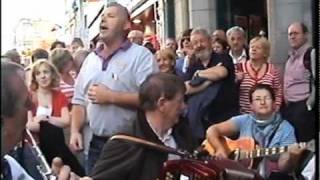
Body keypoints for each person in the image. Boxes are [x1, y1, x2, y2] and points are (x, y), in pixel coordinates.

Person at [69, 2, 159, 173]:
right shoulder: (90, 60)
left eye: (111, 16)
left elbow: (152, 99)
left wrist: (110, 97)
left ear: (126, 25)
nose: (103, 19)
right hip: (97, 145)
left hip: (131, 144)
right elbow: (79, 101)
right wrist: (74, 131)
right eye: (102, 16)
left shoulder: (141, 56)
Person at [89, 73, 197, 179]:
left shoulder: (182, 133)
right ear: (162, 104)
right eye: (180, 101)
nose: (184, 106)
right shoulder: (124, 143)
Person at [1, 61, 81, 180]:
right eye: (26, 103)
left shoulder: (9, 165)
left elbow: (66, 120)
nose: (32, 107)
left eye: (46, 72)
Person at [206, 84, 301, 179]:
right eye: (258, 99)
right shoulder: (244, 120)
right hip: (238, 174)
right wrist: (220, 149)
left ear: (274, 103)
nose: (263, 102)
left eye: (267, 98)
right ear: (251, 106)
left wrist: (292, 157)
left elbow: (284, 168)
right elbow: (212, 130)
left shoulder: (286, 128)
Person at [26, 60, 85, 176]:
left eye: (45, 72)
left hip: (57, 143)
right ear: (35, 78)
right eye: (38, 73)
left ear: (52, 74)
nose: (42, 76)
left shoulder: (59, 95)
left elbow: (66, 121)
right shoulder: (30, 96)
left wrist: (46, 118)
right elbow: (30, 125)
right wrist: (43, 122)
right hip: (39, 146)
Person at [184, 28, 239, 140]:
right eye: (195, 43)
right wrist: (206, 84)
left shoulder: (223, 57)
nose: (199, 45)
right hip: (202, 121)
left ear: (210, 41)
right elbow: (186, 88)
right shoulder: (193, 64)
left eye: (202, 41)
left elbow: (221, 73)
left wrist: (199, 74)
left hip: (225, 118)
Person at [282, 22, 315, 142]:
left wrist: (309, 105)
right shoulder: (290, 57)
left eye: (296, 33)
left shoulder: (311, 54)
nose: (292, 36)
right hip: (290, 108)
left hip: (304, 109)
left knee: (305, 148)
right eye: (290, 34)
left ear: (305, 35)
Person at [237, 36, 282, 113]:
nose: (253, 50)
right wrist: (237, 80)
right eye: (252, 47)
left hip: (267, 114)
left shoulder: (272, 70)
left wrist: (276, 107)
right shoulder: (239, 68)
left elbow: (278, 91)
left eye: (258, 47)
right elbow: (231, 91)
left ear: (265, 53)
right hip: (244, 115)